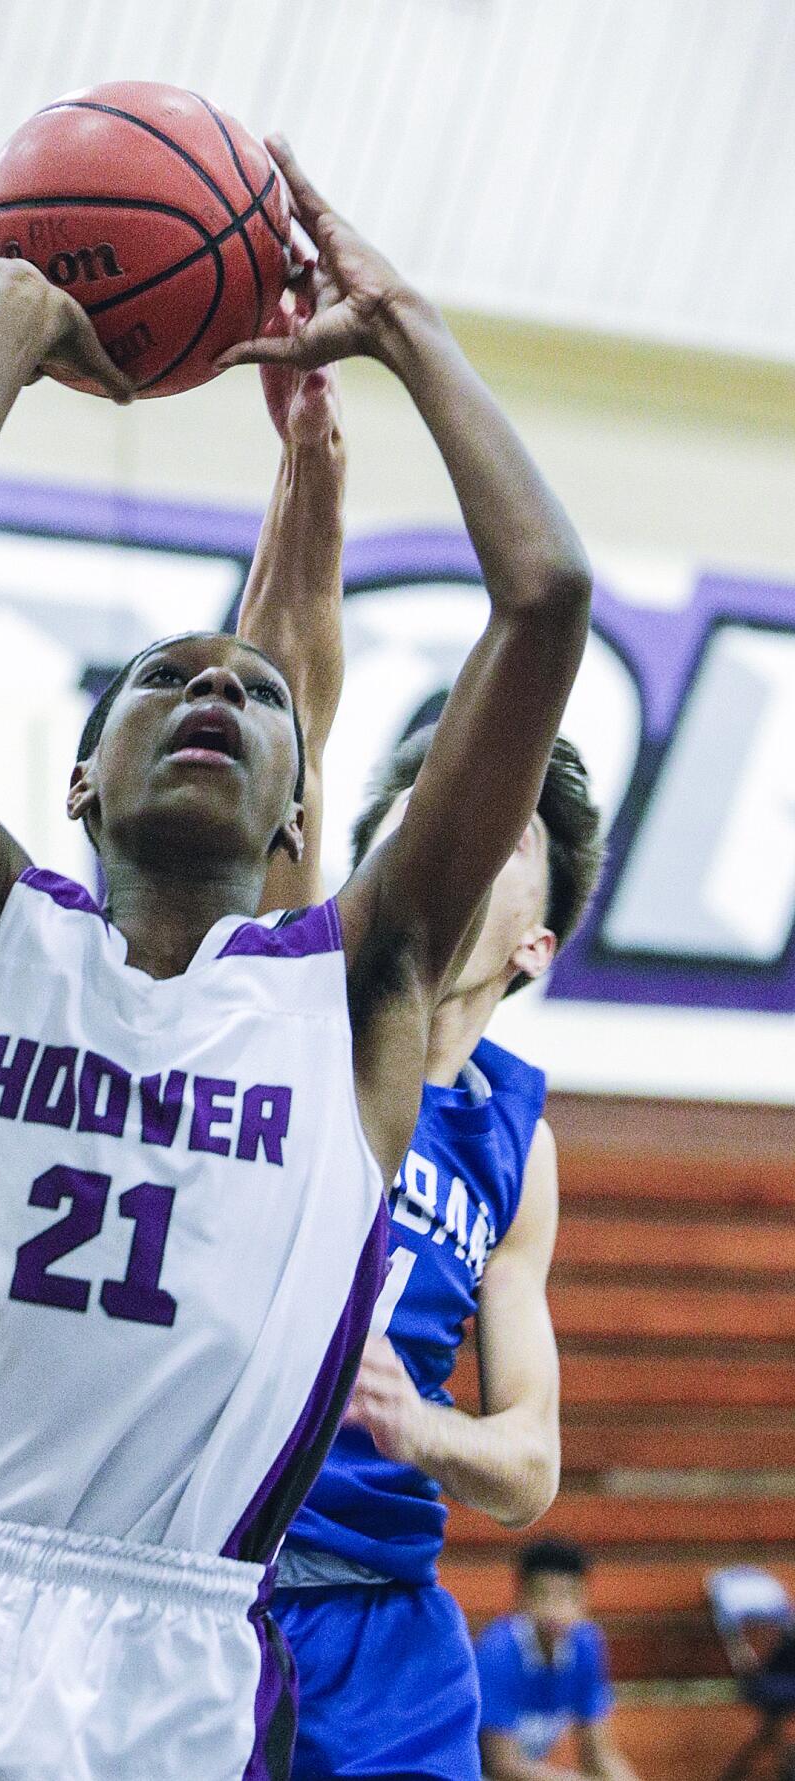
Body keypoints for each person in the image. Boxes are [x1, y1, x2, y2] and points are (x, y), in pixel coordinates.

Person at [0, 135, 591, 1781]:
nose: (219, 693)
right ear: (78, 777)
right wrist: (8, 330)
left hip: (172, 1664)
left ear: (298, 820)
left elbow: (543, 600)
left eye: (260, 700)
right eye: (162, 679)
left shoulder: (349, 1003)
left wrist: (403, 323)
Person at [235, 300, 602, 1781]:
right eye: (429, 802)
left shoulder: (523, 1140)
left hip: (388, 1632)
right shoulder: (295, 987)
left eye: (499, 825)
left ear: (534, 944)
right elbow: (287, 700)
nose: (449, 825)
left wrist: (416, 1429)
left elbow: (529, 1463)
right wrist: (308, 486)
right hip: (208, 1585)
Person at [475, 1540, 642, 1781]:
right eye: (543, 1594)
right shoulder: (497, 1651)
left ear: (584, 1600)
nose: (554, 1609)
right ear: (521, 1598)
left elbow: (598, 1754)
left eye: (566, 1595)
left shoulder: (587, 1644)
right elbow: (501, 1765)